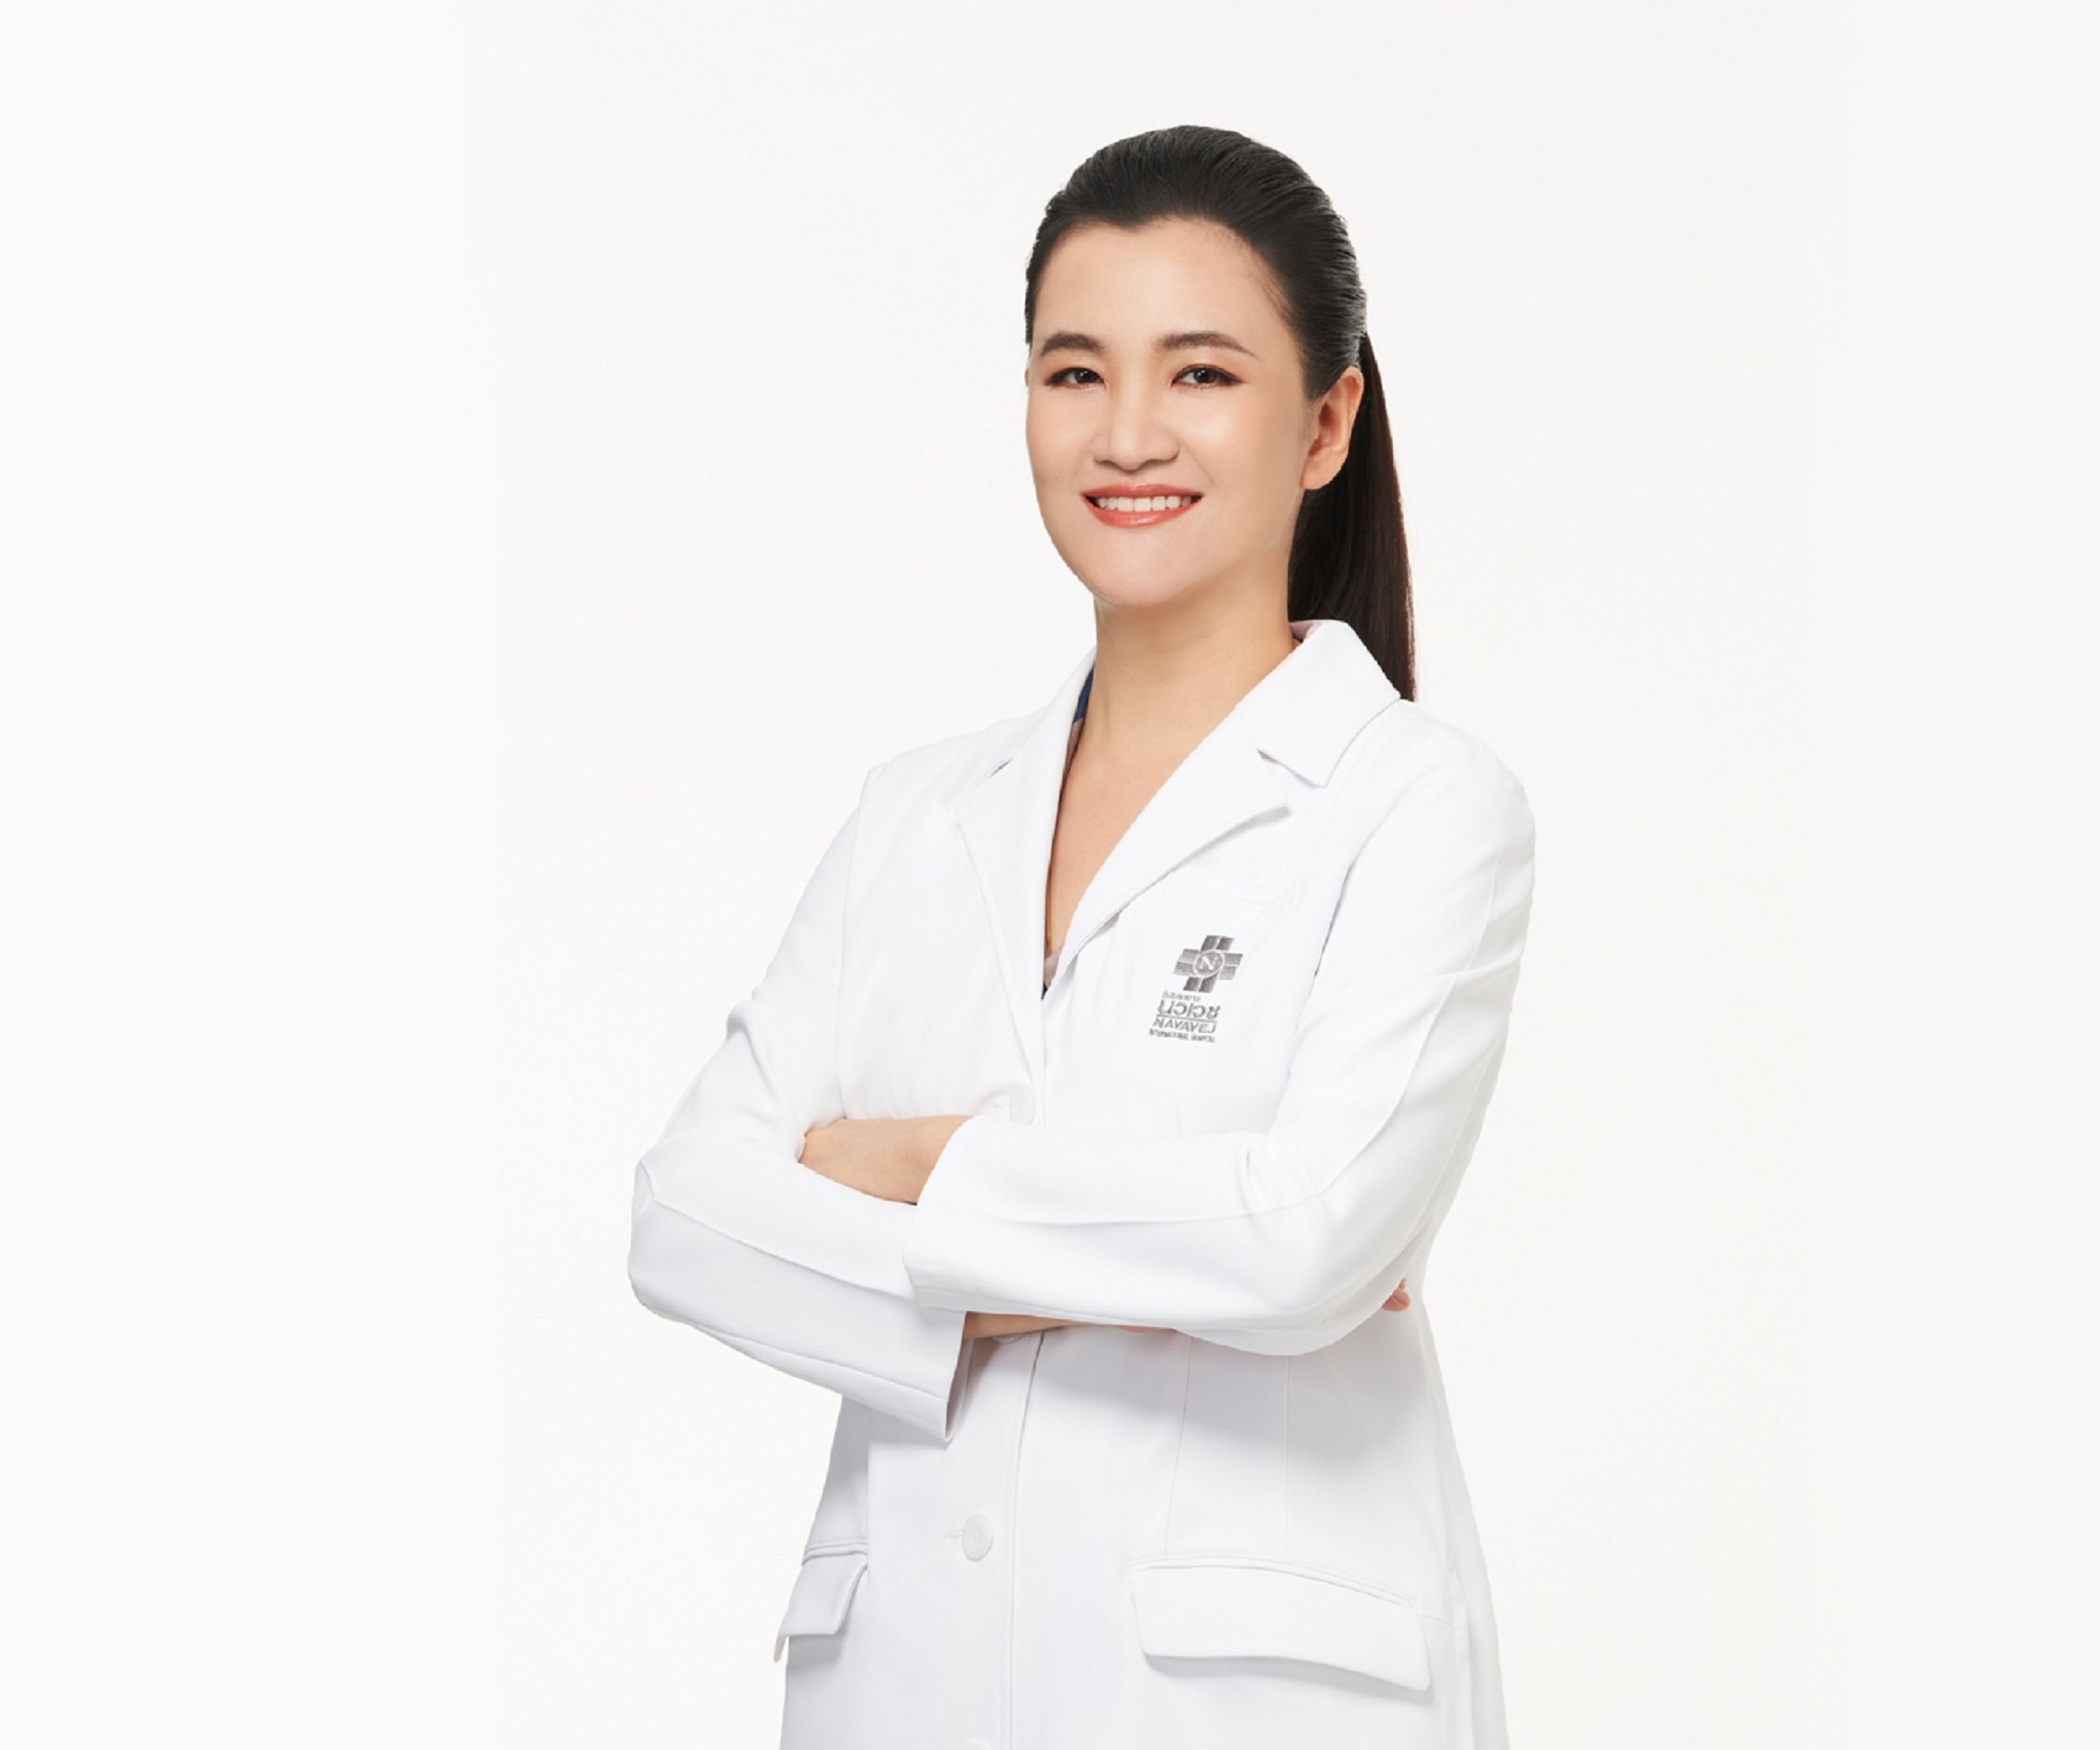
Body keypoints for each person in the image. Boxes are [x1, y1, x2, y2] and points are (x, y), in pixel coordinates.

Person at [629, 124, 1538, 1749]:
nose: (1126, 433)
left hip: (1257, 1697)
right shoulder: (914, 815)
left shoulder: (1418, 805)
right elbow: (686, 1217)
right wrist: (1154, 1253)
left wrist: (917, 1169)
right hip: (901, 1679)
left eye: (1201, 373)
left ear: (1326, 421)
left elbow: (1307, 1239)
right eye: (1073, 372)